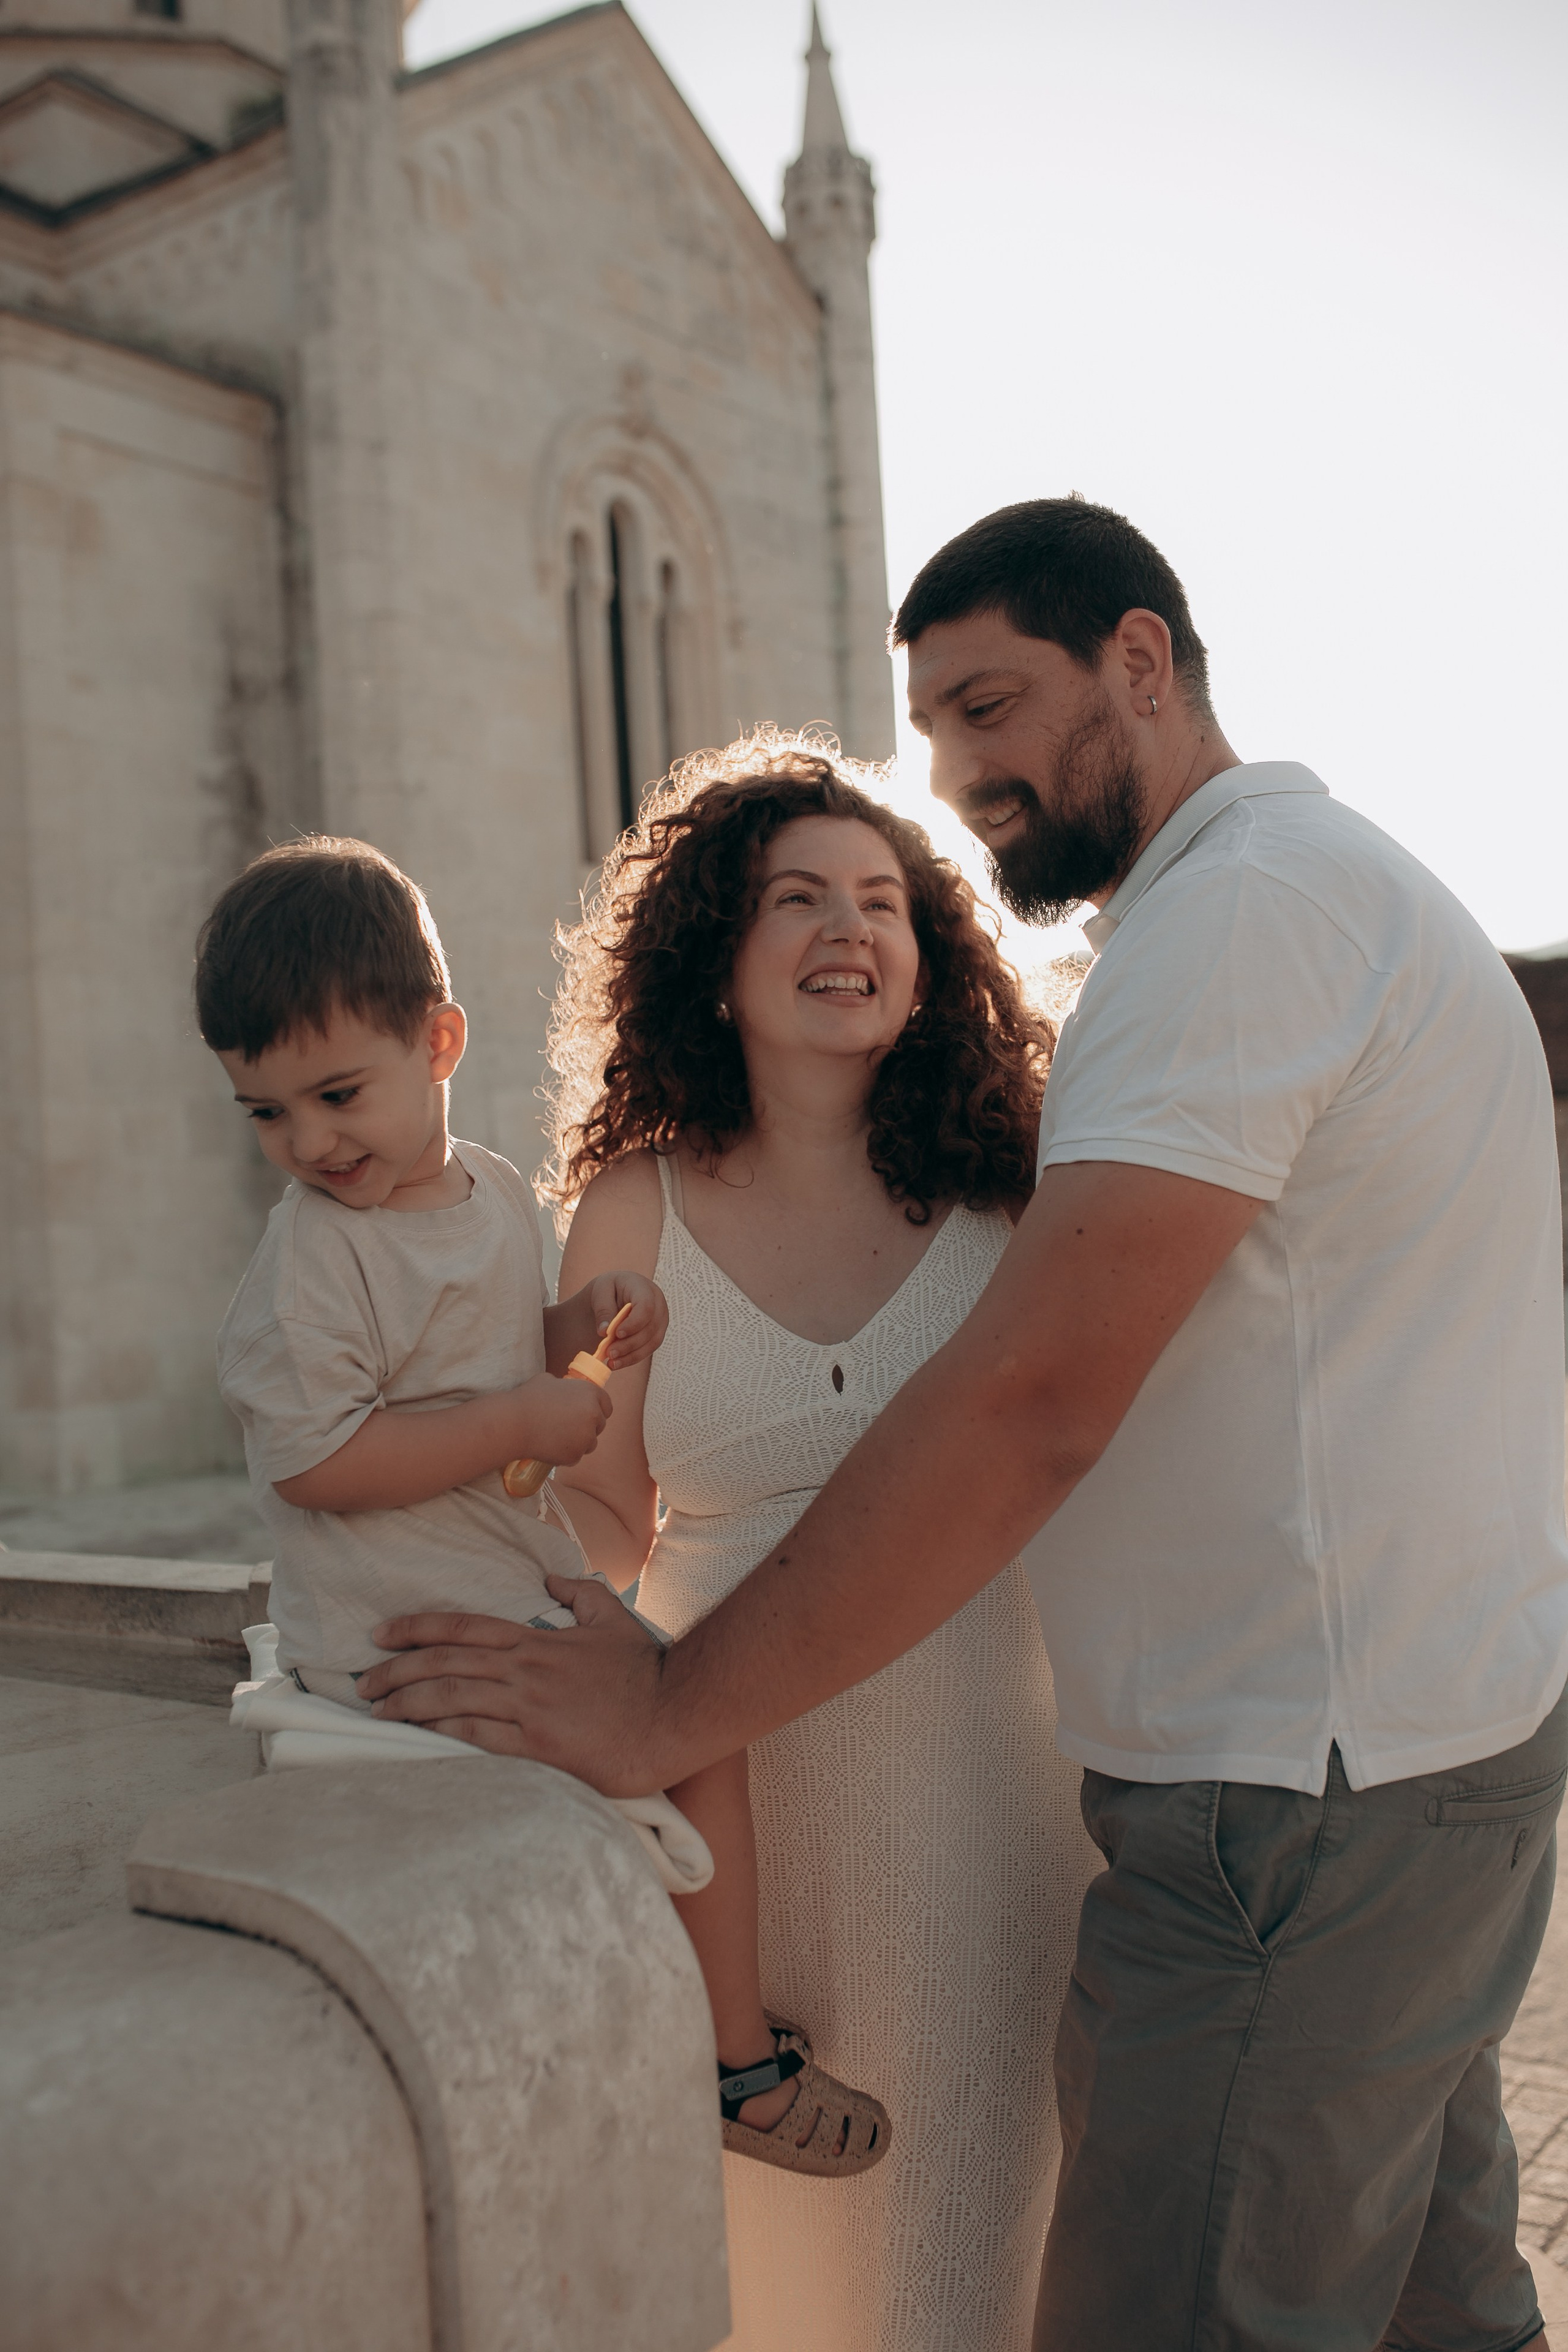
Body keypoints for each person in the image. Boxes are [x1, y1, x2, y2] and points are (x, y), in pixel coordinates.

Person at [363, 500, 1568, 2352]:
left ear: (1144, 664)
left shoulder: (1235, 922)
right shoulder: (1320, 891)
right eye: (938, 738)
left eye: (995, 707)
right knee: (1437, 2310)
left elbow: (1030, 1404)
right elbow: (602, 1499)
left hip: (1295, 1811)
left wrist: (671, 1707)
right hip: (1408, 1761)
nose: (968, 776)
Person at [196, 835, 889, 2176]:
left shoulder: (497, 1194)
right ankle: (735, 2068)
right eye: (267, 1113)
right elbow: (312, 1462)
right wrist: (513, 1423)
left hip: (497, 1583)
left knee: (704, 1711)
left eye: (337, 1093)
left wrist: (586, 1326)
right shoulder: (314, 1258)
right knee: (687, 1729)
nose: (310, 1144)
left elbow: (514, 1352)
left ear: (439, 1041)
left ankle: (712, 2027)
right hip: (400, 1643)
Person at [527, 735, 1095, 2351]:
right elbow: (600, 1505)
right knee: (781, 2298)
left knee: (972, 2272)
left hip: (999, 1824)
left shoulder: (1016, 1193)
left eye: (884, 901)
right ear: (716, 951)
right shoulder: (629, 1206)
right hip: (737, 1842)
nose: (849, 929)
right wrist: (519, 1549)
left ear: (930, 959)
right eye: (797, 899)